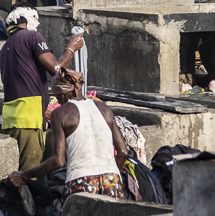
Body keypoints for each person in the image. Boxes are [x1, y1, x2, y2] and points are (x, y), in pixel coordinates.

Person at [8, 73, 130, 202]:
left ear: (62, 93)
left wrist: (24, 175)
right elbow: (123, 152)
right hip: (112, 179)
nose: (58, 101)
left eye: (57, 96)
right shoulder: (105, 109)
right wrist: (113, 173)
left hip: (81, 180)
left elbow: (58, 161)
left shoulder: (60, 114)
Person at [0, 6, 84, 172]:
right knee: (30, 175)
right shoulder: (32, 36)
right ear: (26, 19)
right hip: (29, 117)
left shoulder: (5, 47)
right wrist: (71, 47)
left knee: (16, 172)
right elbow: (56, 69)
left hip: (11, 116)